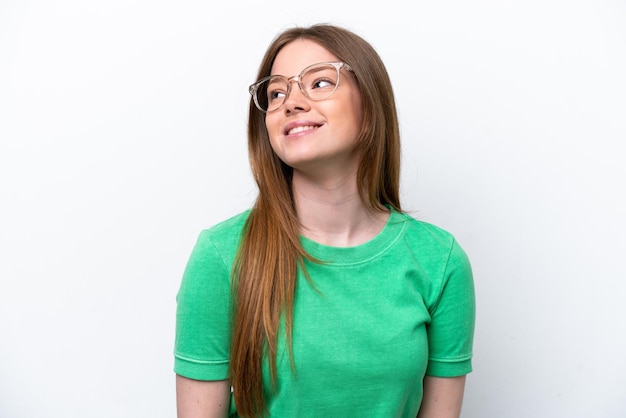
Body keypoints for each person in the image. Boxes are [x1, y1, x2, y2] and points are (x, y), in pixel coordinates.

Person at [174, 23, 475, 418]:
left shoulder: (440, 261)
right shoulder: (221, 256)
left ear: (370, 105)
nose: (291, 102)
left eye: (318, 83)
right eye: (276, 92)